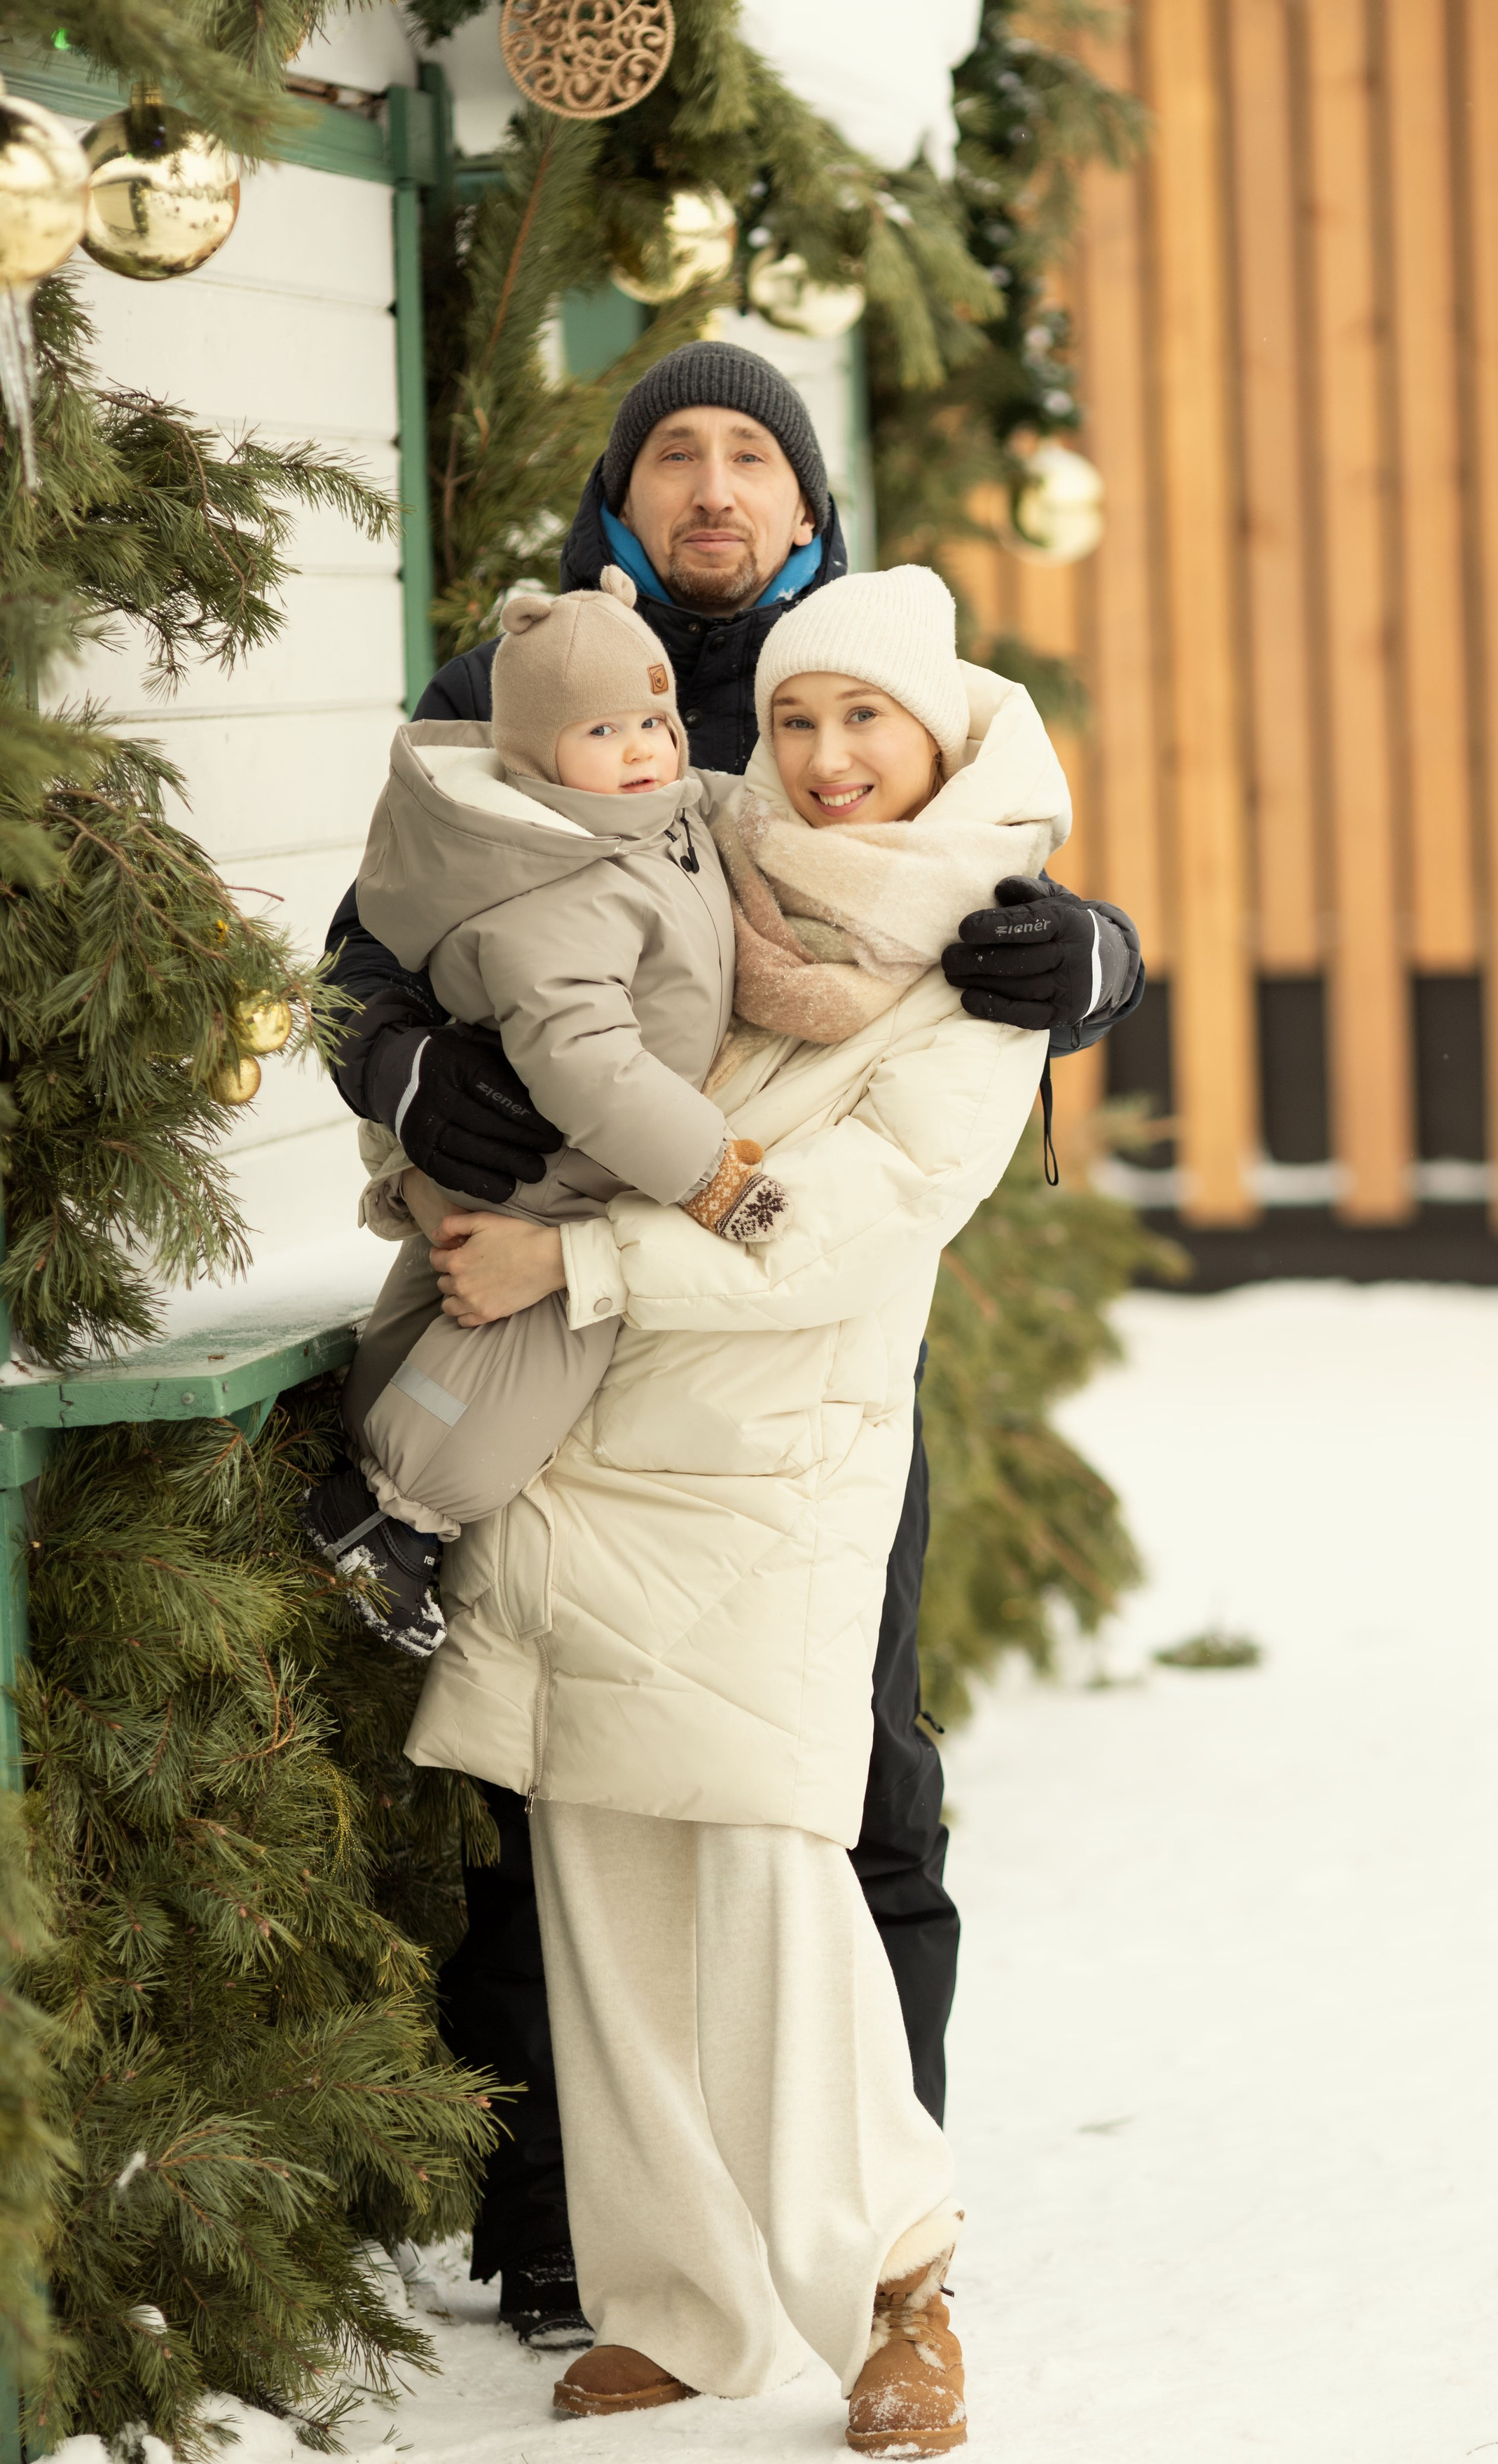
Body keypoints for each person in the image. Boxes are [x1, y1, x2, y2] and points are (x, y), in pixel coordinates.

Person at [319, 340, 1145, 2343]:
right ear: (620, 497)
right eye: (669, 450)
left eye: (749, 453)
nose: (709, 482)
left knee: (849, 1778)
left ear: (807, 509)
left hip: (765, 1343)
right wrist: (418, 1079)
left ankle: (878, 2234)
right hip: (582, 1343)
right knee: (562, 1795)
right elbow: (383, 944)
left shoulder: (875, 715)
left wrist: (1099, 962)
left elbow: (970, 949)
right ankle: (578, 2240)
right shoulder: (514, 688)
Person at [405, 565, 1066, 2453]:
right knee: (604, 1898)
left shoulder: (983, 957)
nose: (831, 758)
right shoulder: (705, 868)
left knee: (773, 1884)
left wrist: (579, 1270)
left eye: (868, 717)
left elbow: (846, 1230)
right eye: (794, 718)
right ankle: (680, 2301)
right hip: (587, 1451)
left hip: (766, 1466)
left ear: (938, 729)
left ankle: (902, 2281)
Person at [304, 571, 788, 1656]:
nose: (644, 749)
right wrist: (712, 1174)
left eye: (656, 721)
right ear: (531, 756)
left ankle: (387, 1470)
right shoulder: (556, 888)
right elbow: (589, 1069)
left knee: (440, 1320)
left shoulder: (654, 822)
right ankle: (385, 1516)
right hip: (566, 1164)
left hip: (579, 1167)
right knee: (514, 1369)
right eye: (604, 730)